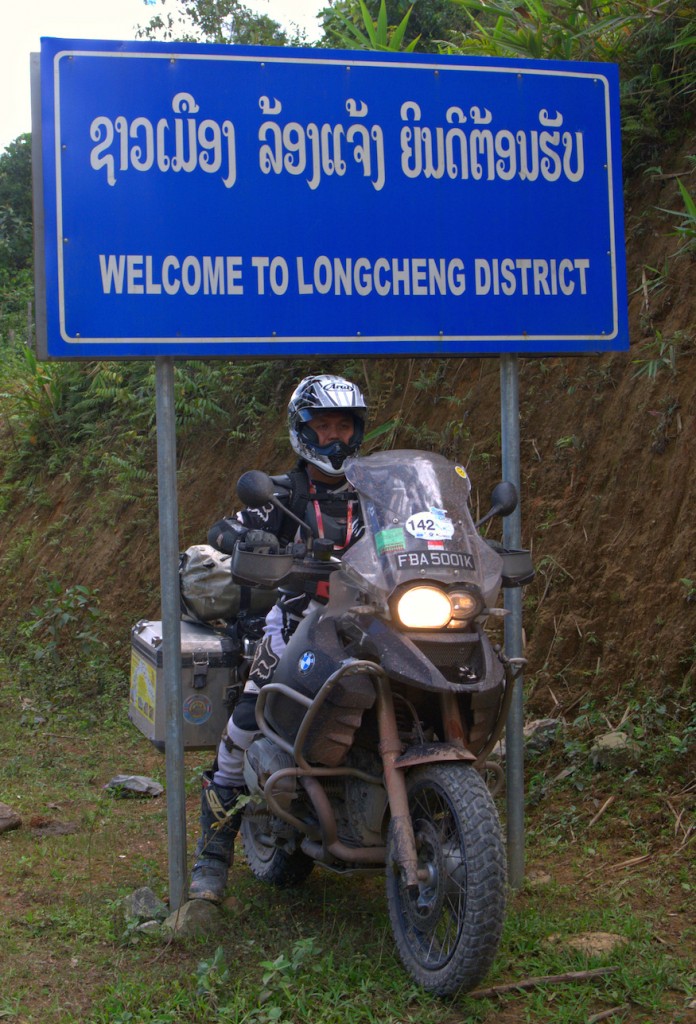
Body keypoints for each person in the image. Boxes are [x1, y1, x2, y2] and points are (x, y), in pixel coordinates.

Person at [188, 373, 368, 903]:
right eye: (324, 425)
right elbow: (223, 530)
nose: (334, 437)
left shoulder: (381, 491)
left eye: (344, 426)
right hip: (298, 622)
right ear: (303, 431)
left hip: (375, 622)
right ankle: (211, 860)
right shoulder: (284, 492)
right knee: (248, 723)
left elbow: (424, 525)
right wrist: (251, 536)